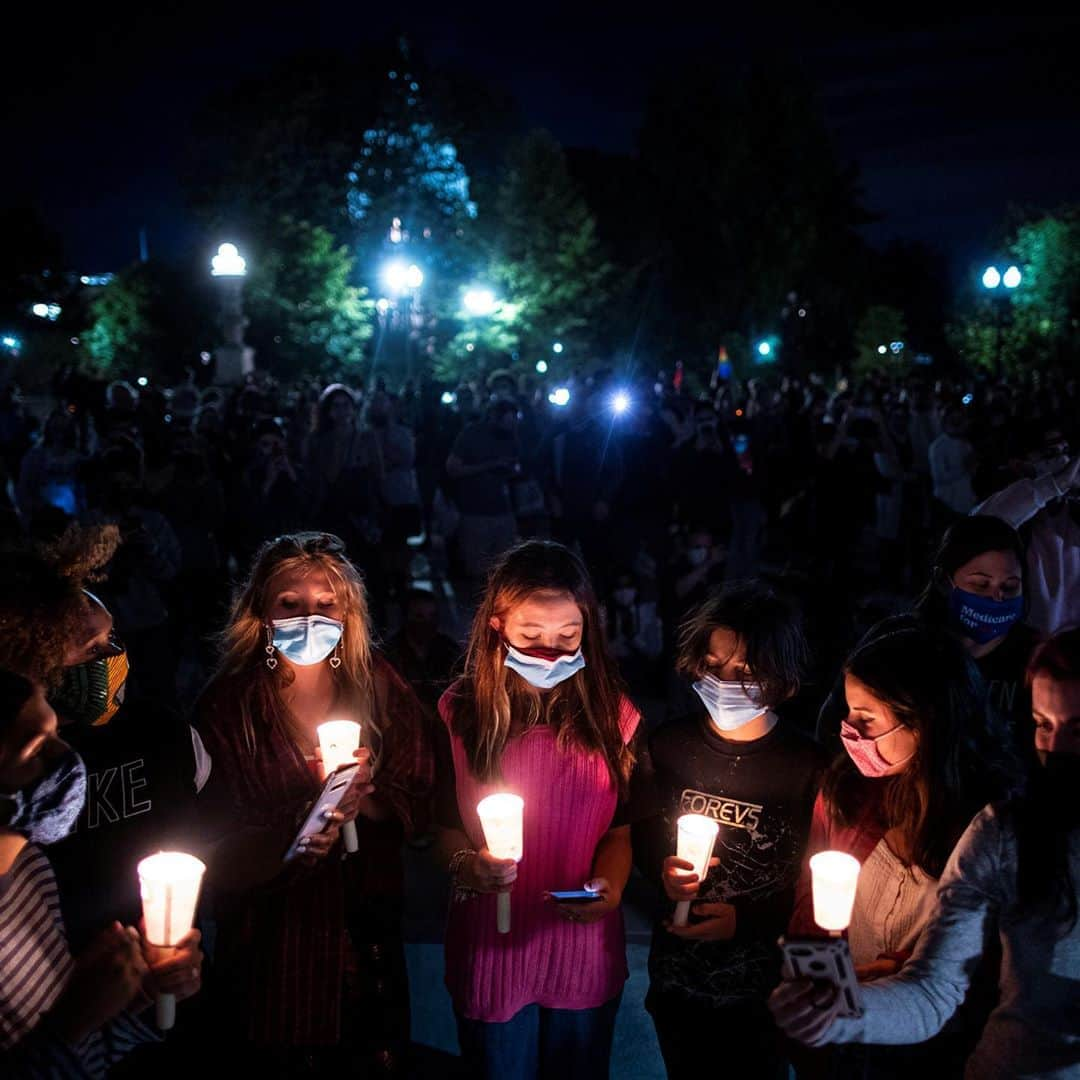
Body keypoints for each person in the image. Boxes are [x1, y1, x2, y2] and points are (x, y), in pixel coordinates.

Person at [771, 627, 1080, 1080]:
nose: (1053, 748)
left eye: (1077, 728)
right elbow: (936, 988)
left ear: (924, 719)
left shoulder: (978, 808)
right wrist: (839, 1002)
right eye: (1041, 724)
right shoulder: (1004, 832)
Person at [195, 531, 434, 1076]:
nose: (310, 617)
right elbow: (209, 833)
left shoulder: (377, 684)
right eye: (291, 604)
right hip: (273, 935)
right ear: (261, 612)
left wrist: (367, 800)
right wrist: (292, 831)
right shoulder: (228, 705)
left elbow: (419, 790)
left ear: (348, 611)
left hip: (362, 927)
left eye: (326, 604)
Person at [434, 540, 642, 1080]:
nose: (550, 651)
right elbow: (443, 827)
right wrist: (467, 867)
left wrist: (611, 889)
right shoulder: (458, 714)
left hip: (583, 947)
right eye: (532, 635)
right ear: (498, 624)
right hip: (492, 948)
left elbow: (619, 833)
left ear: (587, 630)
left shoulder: (615, 717)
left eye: (567, 636)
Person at [633, 583, 828, 1079]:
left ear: (782, 681)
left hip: (762, 994)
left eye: (746, 670)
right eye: (715, 665)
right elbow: (638, 839)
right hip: (677, 983)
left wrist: (748, 921)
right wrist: (661, 873)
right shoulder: (668, 746)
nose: (726, 680)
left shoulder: (807, 767)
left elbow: (820, 882)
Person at [0, 669, 203, 1076]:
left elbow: (88, 1055)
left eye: (57, 733)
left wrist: (143, 992)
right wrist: (70, 1021)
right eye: (37, 750)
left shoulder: (30, 867)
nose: (68, 759)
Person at [816, 515, 1038, 754]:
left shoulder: (1035, 657)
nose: (997, 598)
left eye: (1010, 587)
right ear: (944, 582)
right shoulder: (895, 644)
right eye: (980, 585)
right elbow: (834, 728)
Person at [974, 447, 1080, 636]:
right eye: (1049, 454)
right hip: (1028, 647)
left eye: (1066, 451)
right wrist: (1055, 484)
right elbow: (979, 527)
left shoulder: (1072, 511)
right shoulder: (1011, 508)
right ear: (1019, 465)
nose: (1064, 459)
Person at [446, 397, 521, 597]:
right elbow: (452, 468)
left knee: (504, 567)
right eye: (507, 420)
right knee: (477, 569)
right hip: (475, 512)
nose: (511, 425)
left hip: (503, 511)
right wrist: (489, 466)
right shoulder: (472, 434)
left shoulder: (511, 437)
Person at [929, 405, 978, 517]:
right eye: (953, 419)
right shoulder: (937, 447)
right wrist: (964, 467)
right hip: (946, 504)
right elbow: (940, 477)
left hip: (965, 503)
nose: (956, 423)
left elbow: (970, 474)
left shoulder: (966, 444)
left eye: (959, 419)